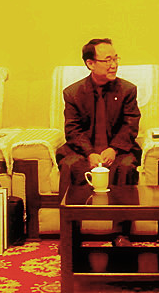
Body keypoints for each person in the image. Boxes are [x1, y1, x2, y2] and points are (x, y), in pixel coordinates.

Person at [56, 38, 141, 246]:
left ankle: (121, 235)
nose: (114, 65)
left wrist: (114, 148)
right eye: (107, 60)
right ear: (90, 63)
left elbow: (130, 124)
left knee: (126, 167)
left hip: (118, 150)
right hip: (82, 151)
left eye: (116, 59)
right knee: (70, 166)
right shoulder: (73, 93)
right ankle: (70, 235)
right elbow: (72, 129)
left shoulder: (127, 90)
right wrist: (90, 153)